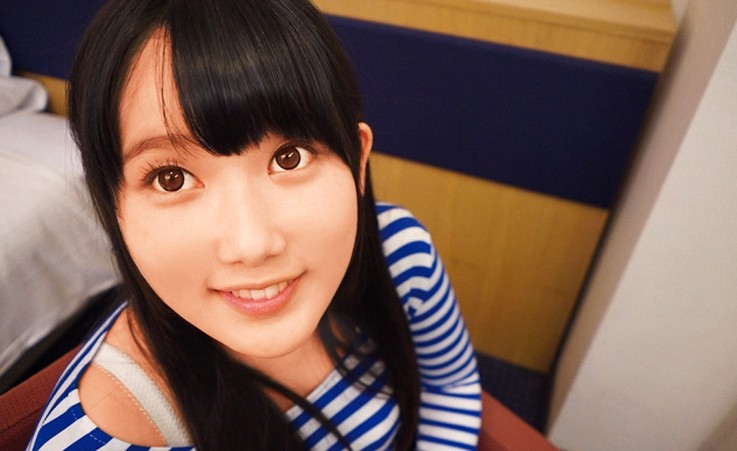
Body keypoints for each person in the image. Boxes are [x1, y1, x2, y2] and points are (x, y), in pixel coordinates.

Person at [26, 0, 481, 449]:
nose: (252, 245)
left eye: (289, 157)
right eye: (172, 178)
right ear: (113, 204)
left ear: (358, 159)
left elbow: (451, 387)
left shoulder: (401, 254)